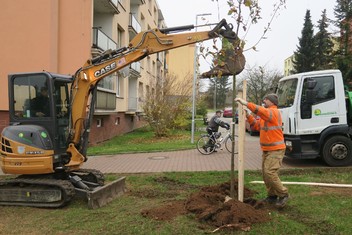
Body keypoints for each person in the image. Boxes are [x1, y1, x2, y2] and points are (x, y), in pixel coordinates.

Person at [235, 94, 289, 208]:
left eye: (266, 99)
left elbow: (259, 110)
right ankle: (272, 196)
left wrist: (246, 103)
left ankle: (283, 194)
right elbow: (256, 126)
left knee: (270, 172)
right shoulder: (266, 116)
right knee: (266, 174)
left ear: (272, 102)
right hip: (267, 149)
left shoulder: (273, 112)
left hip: (276, 149)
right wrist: (248, 116)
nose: (264, 100)